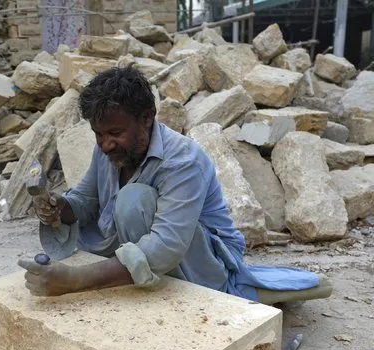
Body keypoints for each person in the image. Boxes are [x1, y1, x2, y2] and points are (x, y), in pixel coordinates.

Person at [18, 66, 319, 301]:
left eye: (115, 133)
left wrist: (75, 280)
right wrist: (60, 207)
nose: (106, 144)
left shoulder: (183, 161)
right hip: (149, 252)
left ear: (147, 118)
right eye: (99, 134)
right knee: (122, 208)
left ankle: (178, 293)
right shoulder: (107, 150)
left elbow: (165, 246)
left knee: (133, 201)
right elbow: (85, 201)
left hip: (203, 263)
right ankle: (136, 279)